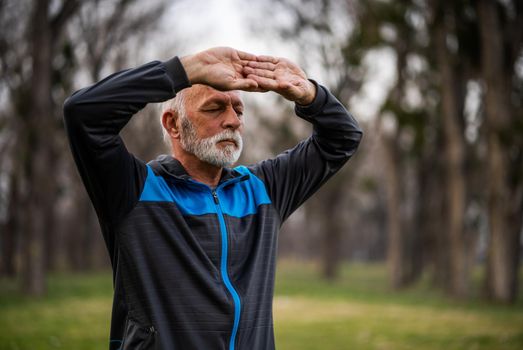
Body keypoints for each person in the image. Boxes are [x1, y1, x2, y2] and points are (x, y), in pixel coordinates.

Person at [63, 47, 362, 350]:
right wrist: (184, 71)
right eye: (214, 108)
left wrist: (309, 94)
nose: (233, 120)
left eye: (238, 110)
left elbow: (342, 138)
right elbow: (83, 113)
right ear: (173, 124)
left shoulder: (263, 190)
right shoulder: (133, 190)